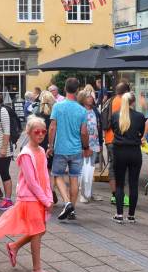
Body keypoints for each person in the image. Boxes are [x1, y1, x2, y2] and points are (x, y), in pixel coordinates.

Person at [0, 116, 56, 272]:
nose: (41, 135)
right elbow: (32, 182)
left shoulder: (41, 151)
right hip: (30, 199)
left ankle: (14, 246)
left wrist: (49, 196)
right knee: (36, 232)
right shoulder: (26, 154)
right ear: (29, 132)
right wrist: (46, 201)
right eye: (37, 132)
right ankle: (37, 269)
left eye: (43, 131)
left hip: (40, 197)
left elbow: (44, 177)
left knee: (40, 230)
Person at [47, 78, 90, 221]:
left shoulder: (58, 107)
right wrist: (86, 147)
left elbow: (52, 127)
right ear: (77, 90)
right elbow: (84, 132)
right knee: (74, 178)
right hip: (76, 149)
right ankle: (72, 211)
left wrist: (50, 145)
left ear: (65, 89)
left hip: (60, 148)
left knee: (57, 175)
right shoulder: (82, 110)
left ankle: (67, 202)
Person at [111, 93, 145, 223]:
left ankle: (119, 215)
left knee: (120, 184)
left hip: (119, 151)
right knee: (133, 184)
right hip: (135, 152)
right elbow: (141, 133)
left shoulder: (115, 115)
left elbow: (114, 130)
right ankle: (131, 215)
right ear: (133, 102)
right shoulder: (140, 116)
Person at [104, 82, 130, 205]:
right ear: (127, 92)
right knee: (121, 168)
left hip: (109, 138)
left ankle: (115, 194)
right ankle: (119, 195)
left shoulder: (111, 100)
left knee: (113, 167)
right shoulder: (123, 102)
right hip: (119, 140)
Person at [78, 89, 103, 203]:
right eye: (88, 97)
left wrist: (100, 143)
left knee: (91, 169)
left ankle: (90, 193)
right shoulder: (79, 110)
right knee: (83, 170)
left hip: (95, 142)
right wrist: (83, 146)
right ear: (83, 98)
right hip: (83, 144)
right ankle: (82, 193)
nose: (91, 98)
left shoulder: (95, 110)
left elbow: (99, 126)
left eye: (92, 97)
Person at [35, 91, 57, 204]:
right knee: (51, 171)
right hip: (52, 145)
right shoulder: (55, 115)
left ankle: (42, 193)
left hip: (40, 146)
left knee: (41, 171)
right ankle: (51, 192)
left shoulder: (38, 116)